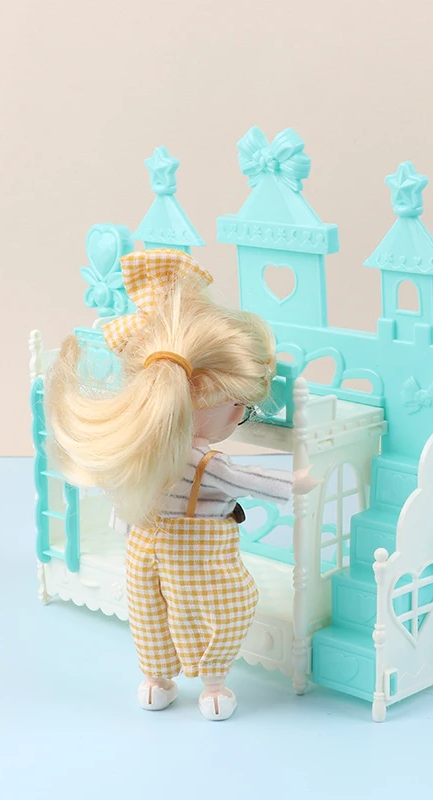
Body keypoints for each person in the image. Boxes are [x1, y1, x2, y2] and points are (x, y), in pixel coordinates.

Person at [45, 248, 318, 720]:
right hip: (195, 548)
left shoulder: (141, 447)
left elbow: (122, 490)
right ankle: (213, 681)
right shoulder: (203, 459)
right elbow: (241, 478)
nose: (239, 415)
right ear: (201, 398)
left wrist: (122, 518)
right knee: (226, 607)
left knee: (149, 612)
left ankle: (156, 679)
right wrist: (295, 483)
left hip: (143, 544)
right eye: (238, 407)